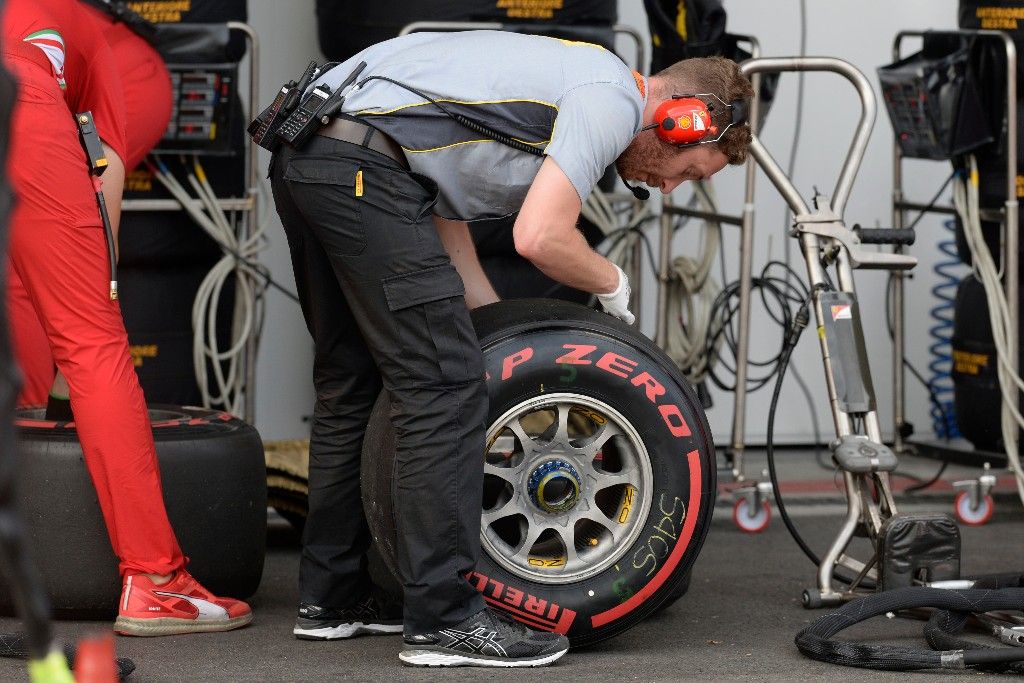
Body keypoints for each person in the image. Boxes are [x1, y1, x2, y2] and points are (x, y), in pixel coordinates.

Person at [268, 29, 752, 668]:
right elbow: (541, 236)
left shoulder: (563, 81)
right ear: (679, 119)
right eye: (687, 172)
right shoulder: (608, 99)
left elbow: (437, 205)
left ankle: (333, 598)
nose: (669, 189)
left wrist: (493, 329)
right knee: (442, 388)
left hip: (313, 153)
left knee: (352, 379)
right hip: (363, 169)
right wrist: (614, 283)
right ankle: (444, 623)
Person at [2, 0, 252, 636]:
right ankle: (157, 582)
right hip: (26, 103)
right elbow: (102, 179)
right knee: (92, 340)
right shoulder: (98, 37)